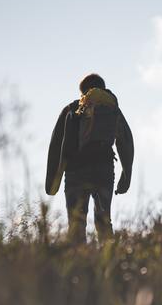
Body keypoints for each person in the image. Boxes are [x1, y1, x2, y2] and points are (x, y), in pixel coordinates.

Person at [45, 73, 134, 243]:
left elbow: (56, 144)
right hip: (104, 168)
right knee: (103, 219)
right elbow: (126, 140)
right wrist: (126, 175)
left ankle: (80, 263)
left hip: (75, 171)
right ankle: (109, 262)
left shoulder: (72, 109)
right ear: (103, 87)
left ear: (82, 91)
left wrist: (51, 182)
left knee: (76, 223)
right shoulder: (111, 109)